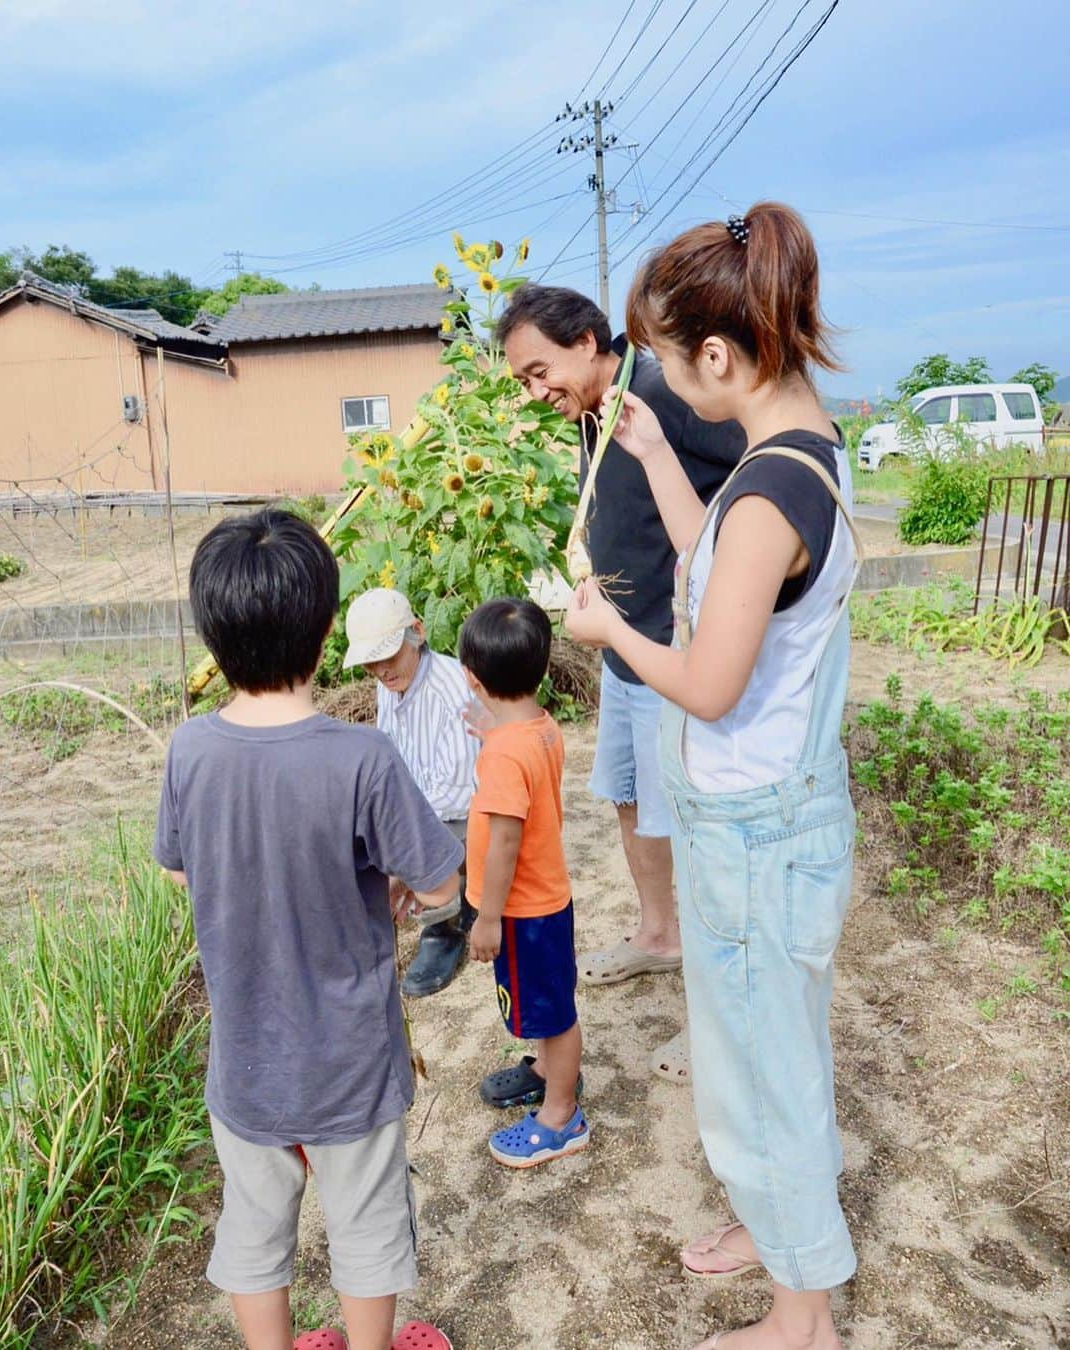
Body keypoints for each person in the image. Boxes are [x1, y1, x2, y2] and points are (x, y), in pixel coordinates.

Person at [565, 204, 862, 1350]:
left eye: (671, 363)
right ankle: (773, 1232)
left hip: (752, 832)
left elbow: (708, 683)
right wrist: (646, 452)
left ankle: (801, 1318)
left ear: (721, 356)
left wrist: (611, 636)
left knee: (762, 1071)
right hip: (779, 816)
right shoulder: (799, 462)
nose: (669, 389)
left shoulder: (767, 493)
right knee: (774, 1044)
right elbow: (718, 573)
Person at [154, 508, 458, 1350]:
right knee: (364, 1223)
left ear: (215, 640)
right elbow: (441, 883)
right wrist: (395, 876)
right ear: (327, 634)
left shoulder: (190, 751)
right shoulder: (360, 759)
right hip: (349, 1063)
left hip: (245, 1059)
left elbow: (180, 866)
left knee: (254, 1228)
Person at [498, 283, 745, 1081]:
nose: (537, 392)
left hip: (673, 655)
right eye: (524, 382)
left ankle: (715, 1016)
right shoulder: (595, 408)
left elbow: (743, 478)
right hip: (621, 649)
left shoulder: (660, 394)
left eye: (541, 371)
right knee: (632, 798)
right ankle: (658, 936)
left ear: (588, 341)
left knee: (696, 825)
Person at [458, 597, 589, 1166]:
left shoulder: (503, 758)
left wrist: (488, 918)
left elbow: (505, 841)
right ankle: (546, 1071)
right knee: (546, 1003)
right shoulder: (539, 729)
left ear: (472, 679)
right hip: (545, 900)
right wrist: (493, 731)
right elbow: (518, 749)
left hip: (523, 911)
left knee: (555, 1013)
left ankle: (561, 1116)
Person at [343, 587, 478, 998]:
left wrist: (399, 846)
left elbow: (458, 794)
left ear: (416, 633)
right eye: (372, 662)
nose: (382, 670)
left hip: (465, 815)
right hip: (418, 807)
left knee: (436, 838)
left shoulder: (451, 690)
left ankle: (445, 925)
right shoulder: (391, 684)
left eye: (389, 656)